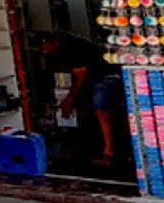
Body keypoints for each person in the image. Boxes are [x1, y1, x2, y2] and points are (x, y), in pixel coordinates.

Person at [39, 33, 121, 167]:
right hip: (100, 77)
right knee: (96, 112)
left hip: (106, 76)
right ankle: (99, 150)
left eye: (45, 46)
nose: (44, 51)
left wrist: (69, 101)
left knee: (102, 112)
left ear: (54, 42)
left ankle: (109, 153)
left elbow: (81, 77)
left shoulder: (71, 49)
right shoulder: (67, 47)